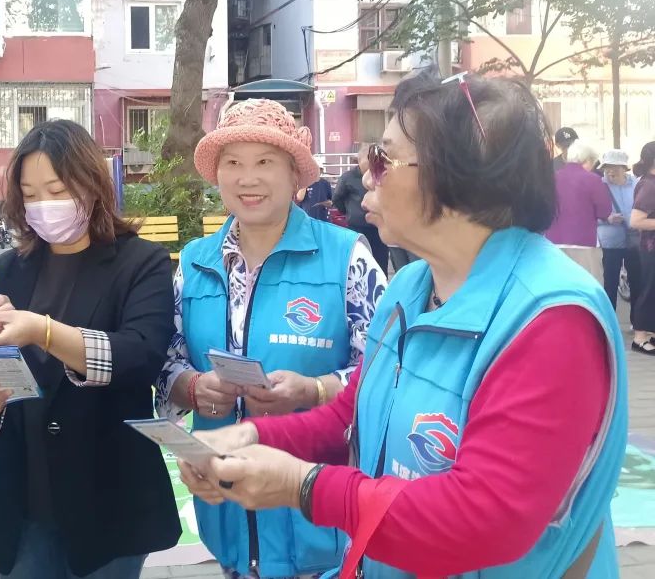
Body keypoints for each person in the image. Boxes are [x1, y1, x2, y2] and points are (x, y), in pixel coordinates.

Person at [179, 71, 626, 578]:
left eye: (382, 159)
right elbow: (351, 415)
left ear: (454, 175)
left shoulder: (552, 320)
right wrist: (250, 436)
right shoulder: (410, 286)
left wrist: (302, 486)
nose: (367, 178)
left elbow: (485, 519)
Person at [156, 99, 386, 579]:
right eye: (232, 163)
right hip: (226, 513)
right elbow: (168, 358)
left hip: (320, 520)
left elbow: (386, 374)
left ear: (295, 174)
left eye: (264, 162)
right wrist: (193, 387)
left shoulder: (346, 256)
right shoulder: (195, 261)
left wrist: (315, 389)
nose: (248, 179)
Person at [0, 119, 180, 579]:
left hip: (110, 501)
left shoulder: (142, 263)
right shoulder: (10, 269)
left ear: (92, 185)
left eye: (57, 190)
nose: (44, 205)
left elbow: (139, 357)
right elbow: (1, 370)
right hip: (24, 499)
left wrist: (43, 331)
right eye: (31, 194)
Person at [546, 142, 613, 248]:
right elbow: (604, 212)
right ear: (588, 160)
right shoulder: (593, 179)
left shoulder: (551, 178)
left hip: (554, 242)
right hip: (583, 242)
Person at [333, 148, 389, 271]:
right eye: (369, 160)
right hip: (357, 228)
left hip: (378, 227)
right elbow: (337, 199)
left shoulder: (381, 175)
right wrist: (349, 212)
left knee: (380, 263)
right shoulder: (348, 177)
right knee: (359, 263)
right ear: (359, 160)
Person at [598, 149, 641, 309]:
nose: (610, 171)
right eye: (607, 167)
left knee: (637, 282)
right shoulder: (599, 185)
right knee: (610, 283)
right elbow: (588, 213)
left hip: (634, 240)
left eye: (614, 167)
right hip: (610, 243)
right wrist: (606, 218)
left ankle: (637, 320)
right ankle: (610, 319)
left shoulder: (637, 184)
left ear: (624, 168)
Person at [628, 141, 655, 356]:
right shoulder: (649, 185)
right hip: (650, 248)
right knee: (648, 290)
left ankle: (648, 333)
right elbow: (636, 221)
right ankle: (640, 337)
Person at [297, 155, 333, 221]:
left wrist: (325, 203)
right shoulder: (304, 182)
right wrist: (306, 181)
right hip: (306, 218)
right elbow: (299, 198)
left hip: (322, 218)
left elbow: (331, 201)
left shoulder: (325, 183)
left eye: (319, 169)